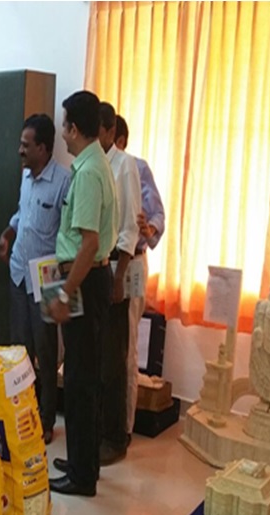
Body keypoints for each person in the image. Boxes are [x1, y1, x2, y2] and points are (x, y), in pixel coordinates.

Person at [47, 91, 117, 497]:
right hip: (84, 277)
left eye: (64, 125)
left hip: (85, 281)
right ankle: (81, 459)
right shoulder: (92, 164)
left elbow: (88, 244)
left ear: (74, 127)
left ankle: (82, 475)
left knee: (79, 379)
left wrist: (64, 293)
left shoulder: (89, 173)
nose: (62, 133)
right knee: (81, 373)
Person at [0, 114, 71, 444]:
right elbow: (21, 213)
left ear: (43, 147)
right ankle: (21, 413)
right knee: (20, 352)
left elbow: (68, 234)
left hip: (48, 277)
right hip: (17, 274)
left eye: (26, 145)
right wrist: (9, 231)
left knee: (47, 353)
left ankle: (45, 418)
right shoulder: (26, 177)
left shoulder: (64, 182)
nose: (20, 151)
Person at [94, 101, 141, 466]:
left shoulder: (124, 166)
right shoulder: (95, 164)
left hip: (115, 268)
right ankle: (97, 432)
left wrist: (119, 276)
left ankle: (115, 437)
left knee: (113, 358)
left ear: (110, 132)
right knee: (96, 358)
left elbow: (129, 227)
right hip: (95, 267)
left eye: (98, 130)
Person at [115, 114, 166, 440]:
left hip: (132, 261)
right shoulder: (100, 169)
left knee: (128, 346)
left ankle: (125, 426)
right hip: (107, 264)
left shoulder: (136, 167)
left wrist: (150, 229)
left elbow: (157, 214)